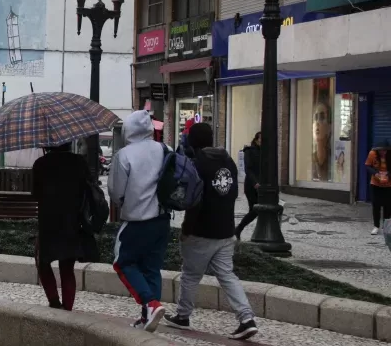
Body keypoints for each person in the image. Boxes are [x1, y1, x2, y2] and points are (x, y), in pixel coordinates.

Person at [164, 123, 259, 339]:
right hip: (226, 230)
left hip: (202, 231)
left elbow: (194, 200)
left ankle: (183, 315)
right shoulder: (228, 162)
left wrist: (187, 228)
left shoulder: (197, 165)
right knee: (227, 275)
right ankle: (247, 319)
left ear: (193, 141)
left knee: (190, 275)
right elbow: (231, 193)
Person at [107, 110, 170, 332]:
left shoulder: (124, 155)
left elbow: (116, 192)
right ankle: (148, 317)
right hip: (162, 220)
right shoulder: (165, 149)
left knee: (122, 262)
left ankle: (150, 305)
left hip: (136, 220)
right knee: (152, 268)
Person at [32, 142, 100, 311]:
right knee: (67, 267)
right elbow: (90, 186)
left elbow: (35, 193)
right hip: (72, 221)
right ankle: (67, 309)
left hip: (48, 222)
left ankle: (54, 302)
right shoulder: (79, 162)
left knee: (43, 262)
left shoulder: (41, 164)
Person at [235, 132, 261, 240]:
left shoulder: (266, 152)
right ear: (256, 140)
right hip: (251, 186)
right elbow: (248, 170)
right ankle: (238, 229)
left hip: (263, 186)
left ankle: (238, 230)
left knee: (257, 211)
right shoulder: (249, 151)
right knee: (255, 210)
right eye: (261, 139)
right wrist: (255, 182)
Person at [365, 141, 391, 235]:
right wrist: (376, 173)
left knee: (388, 205)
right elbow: (367, 166)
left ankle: (386, 227)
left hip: (388, 184)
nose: (382, 152)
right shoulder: (372, 154)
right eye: (380, 150)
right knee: (376, 205)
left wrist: (388, 175)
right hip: (375, 183)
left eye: (384, 150)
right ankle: (376, 226)